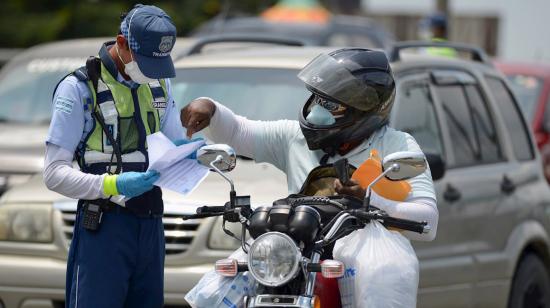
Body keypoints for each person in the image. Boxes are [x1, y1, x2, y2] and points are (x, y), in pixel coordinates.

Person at [181, 48, 439, 242]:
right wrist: (209, 108)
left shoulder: (396, 145)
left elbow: (428, 221)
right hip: (293, 251)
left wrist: (370, 200)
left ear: (366, 109)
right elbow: (238, 131)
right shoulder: (294, 137)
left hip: (365, 254)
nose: (318, 110)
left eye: (331, 105)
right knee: (226, 278)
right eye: (318, 99)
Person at [43, 4, 185, 307]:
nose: (151, 72)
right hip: (104, 227)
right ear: (121, 44)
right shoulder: (79, 88)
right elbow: (53, 173)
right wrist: (113, 185)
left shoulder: (159, 83)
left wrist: (200, 154)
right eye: (145, 61)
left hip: (151, 225)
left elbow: (175, 148)